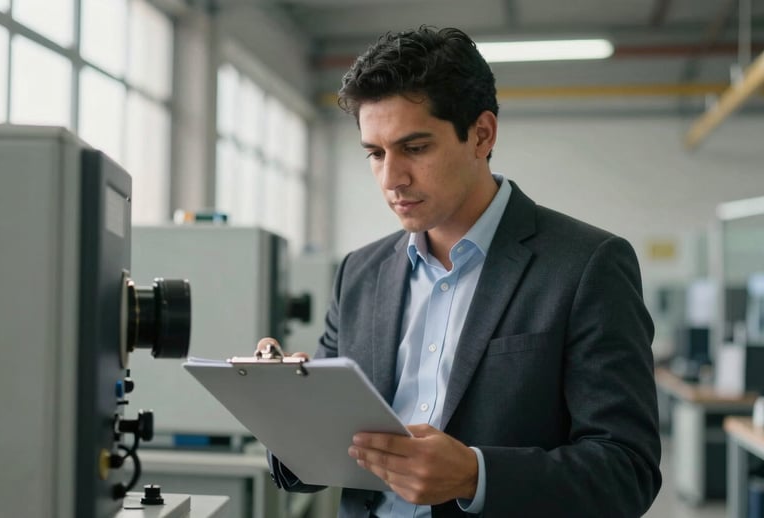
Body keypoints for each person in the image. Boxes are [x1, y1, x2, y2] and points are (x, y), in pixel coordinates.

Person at [260, 25, 661, 517]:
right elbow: (323, 457)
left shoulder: (586, 266)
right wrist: (292, 414)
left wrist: (475, 474)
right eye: (375, 153)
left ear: (481, 134)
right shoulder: (359, 274)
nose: (391, 179)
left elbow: (627, 470)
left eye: (415, 148)